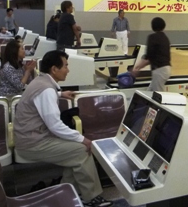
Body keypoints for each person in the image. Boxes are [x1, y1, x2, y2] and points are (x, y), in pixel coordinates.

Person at [13, 50, 113, 207]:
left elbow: (43, 98)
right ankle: (91, 198)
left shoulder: (42, 82)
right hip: (32, 143)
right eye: (66, 66)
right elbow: (55, 125)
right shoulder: (46, 90)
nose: (68, 69)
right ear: (54, 69)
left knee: (73, 154)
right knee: (81, 150)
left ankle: (66, 192)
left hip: (30, 137)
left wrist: (60, 93)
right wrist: (83, 139)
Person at [132, 17, 170, 92]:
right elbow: (152, 57)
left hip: (159, 71)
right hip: (166, 70)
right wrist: (138, 67)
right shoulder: (165, 38)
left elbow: (148, 57)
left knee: (158, 95)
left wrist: (137, 68)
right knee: (149, 92)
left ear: (152, 26)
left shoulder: (152, 37)